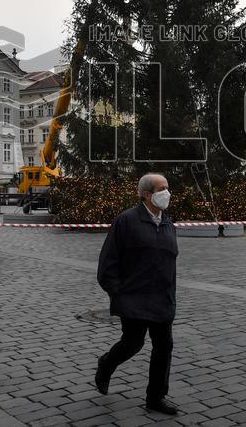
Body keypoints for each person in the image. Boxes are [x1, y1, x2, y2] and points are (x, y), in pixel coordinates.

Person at [96, 173, 179, 415]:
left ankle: (156, 398)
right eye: (162, 188)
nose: (167, 193)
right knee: (132, 343)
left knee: (164, 347)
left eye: (167, 188)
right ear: (147, 194)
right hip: (134, 298)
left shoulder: (168, 223)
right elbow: (107, 264)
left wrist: (171, 296)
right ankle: (106, 364)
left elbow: (170, 262)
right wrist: (118, 293)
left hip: (162, 299)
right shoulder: (126, 221)